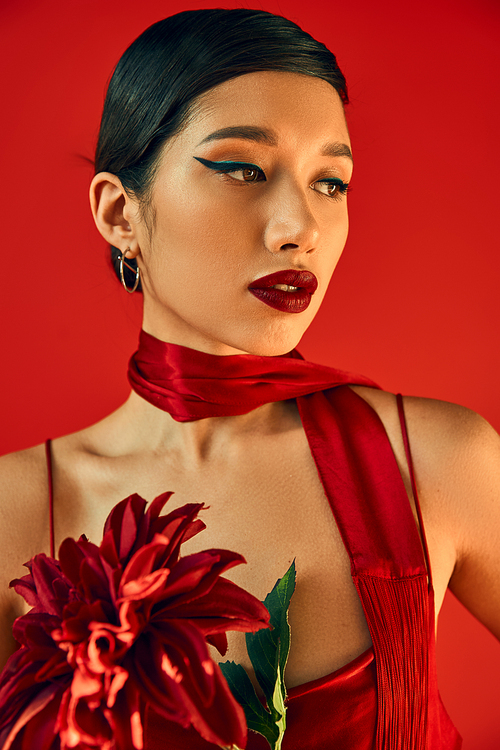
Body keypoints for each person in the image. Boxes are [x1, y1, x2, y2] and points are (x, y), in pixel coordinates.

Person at [0, 8, 499, 749]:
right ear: (118, 212)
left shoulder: (434, 459)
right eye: (243, 169)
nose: (300, 226)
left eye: (332, 182)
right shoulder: (18, 510)